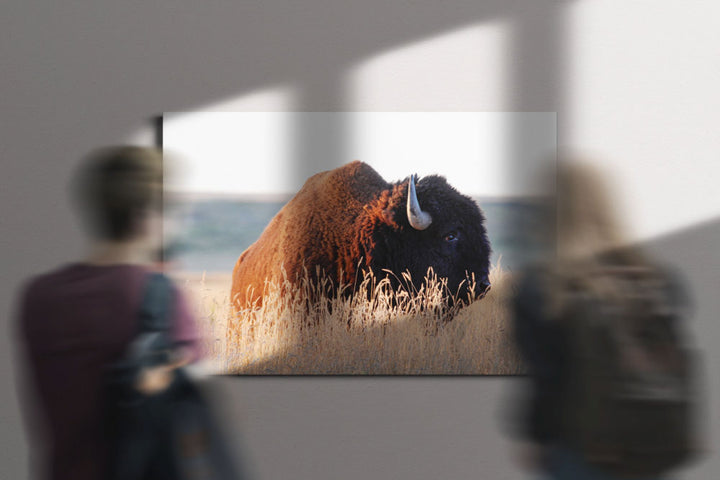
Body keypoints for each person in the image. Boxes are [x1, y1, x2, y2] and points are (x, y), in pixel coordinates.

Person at [15, 146, 202, 480]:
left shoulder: (37, 295)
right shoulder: (159, 295)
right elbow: (194, 422)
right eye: (172, 209)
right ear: (143, 217)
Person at [511, 160, 696, 479]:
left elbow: (547, 383)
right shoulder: (658, 279)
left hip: (581, 451)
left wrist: (536, 438)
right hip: (653, 447)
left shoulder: (543, 286)